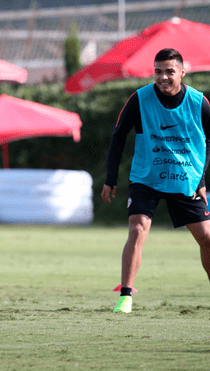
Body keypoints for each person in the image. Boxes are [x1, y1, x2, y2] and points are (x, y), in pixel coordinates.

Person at [102, 48, 210, 313]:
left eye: (170, 72)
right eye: (158, 72)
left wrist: (203, 180)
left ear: (183, 72)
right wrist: (110, 178)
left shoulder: (199, 102)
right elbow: (118, 136)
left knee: (207, 238)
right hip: (147, 177)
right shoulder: (139, 99)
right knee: (137, 229)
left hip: (186, 178)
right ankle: (125, 297)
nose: (163, 77)